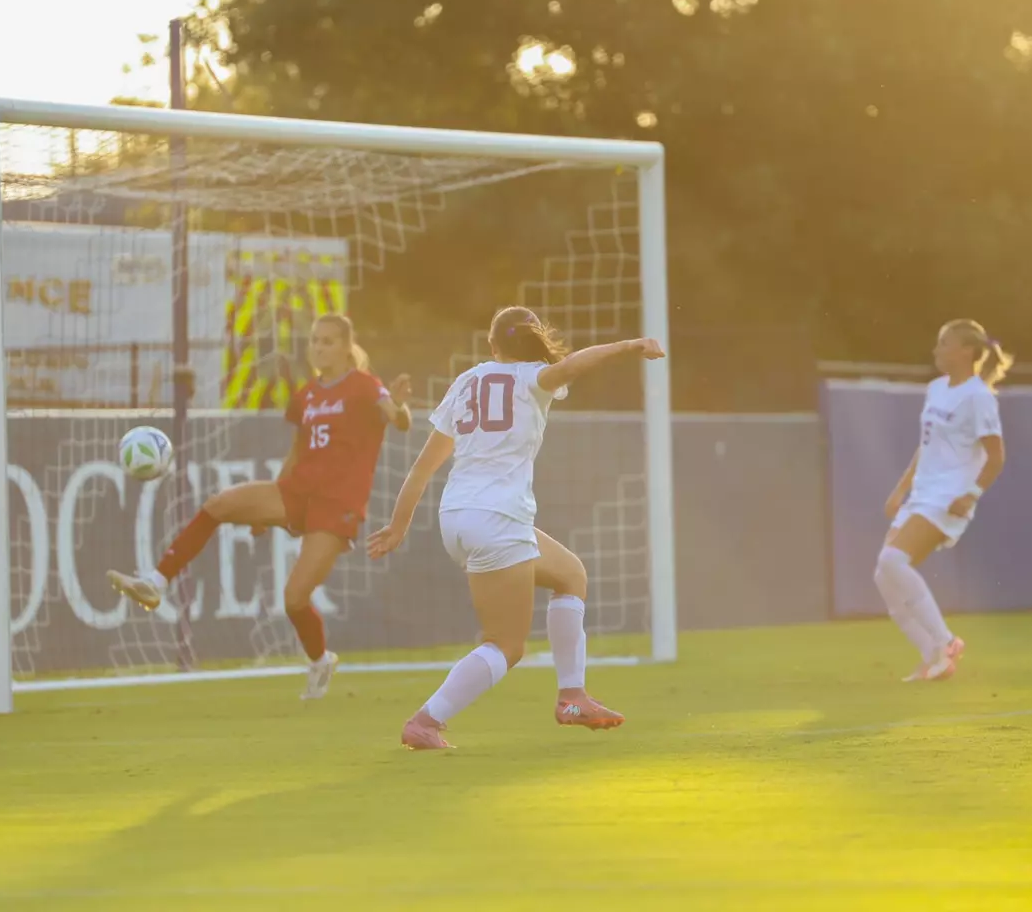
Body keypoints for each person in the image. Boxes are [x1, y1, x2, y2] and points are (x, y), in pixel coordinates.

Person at [367, 306, 665, 750]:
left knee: (570, 574)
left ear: (492, 346)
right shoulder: (533, 378)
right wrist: (629, 345)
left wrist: (398, 525)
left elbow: (422, 467)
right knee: (506, 646)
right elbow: (574, 365)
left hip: (457, 516)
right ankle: (426, 721)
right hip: (498, 519)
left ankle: (573, 696)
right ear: (533, 341)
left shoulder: (466, 383)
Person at [107, 313, 411, 699]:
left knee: (294, 598)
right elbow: (297, 452)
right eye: (315, 340)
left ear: (345, 347)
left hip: (338, 505)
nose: (319, 348)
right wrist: (270, 508)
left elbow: (397, 419)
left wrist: (399, 407)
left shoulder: (365, 385)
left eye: (328, 341)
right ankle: (155, 582)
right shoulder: (307, 396)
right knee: (217, 505)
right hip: (297, 491)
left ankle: (320, 661)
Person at [878, 319, 1010, 683]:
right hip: (922, 494)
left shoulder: (978, 397)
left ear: (966, 351)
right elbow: (926, 445)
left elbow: (996, 456)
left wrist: (971, 494)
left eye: (944, 343)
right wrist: (901, 489)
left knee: (892, 560)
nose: (936, 350)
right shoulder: (936, 388)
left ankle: (946, 641)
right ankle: (933, 656)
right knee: (884, 576)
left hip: (948, 497)